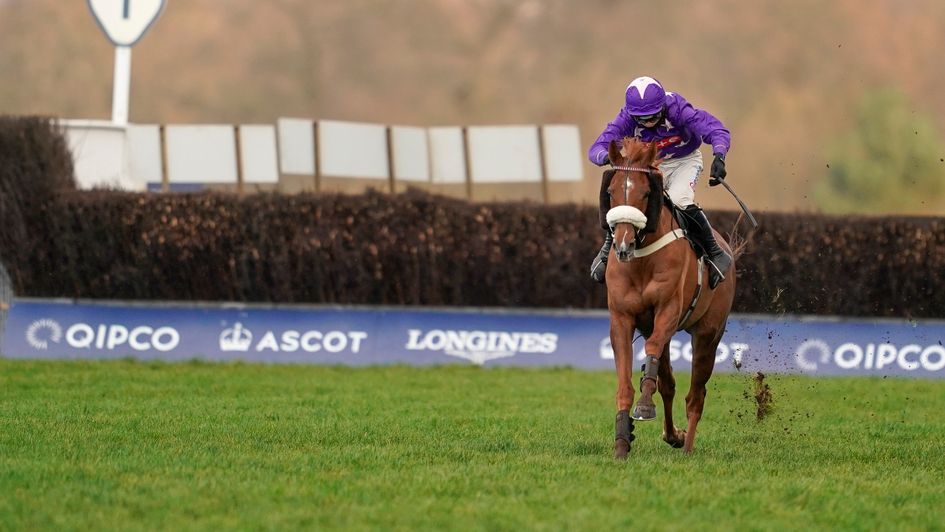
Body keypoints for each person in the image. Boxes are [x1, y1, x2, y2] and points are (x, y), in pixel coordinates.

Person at [588, 76, 733, 288]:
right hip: (652, 164)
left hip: (685, 160)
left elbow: (714, 129)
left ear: (662, 107)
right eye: (642, 119)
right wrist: (607, 158)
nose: (648, 122)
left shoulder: (677, 108)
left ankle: (715, 251)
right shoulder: (626, 117)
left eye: (653, 116)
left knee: (679, 199)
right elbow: (596, 148)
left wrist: (719, 155)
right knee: (625, 197)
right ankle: (607, 248)